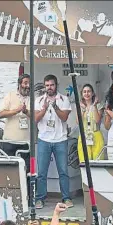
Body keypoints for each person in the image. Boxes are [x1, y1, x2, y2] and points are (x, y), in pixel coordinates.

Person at [34, 74, 72, 209]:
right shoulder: (38, 100)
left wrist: (55, 107)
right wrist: (44, 108)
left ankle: (66, 197)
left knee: (63, 171)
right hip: (44, 139)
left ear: (56, 85)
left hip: (60, 140)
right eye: (47, 85)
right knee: (42, 172)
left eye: (52, 85)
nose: (49, 88)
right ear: (45, 86)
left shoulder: (64, 99)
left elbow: (64, 118)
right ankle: (40, 198)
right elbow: (35, 119)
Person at [0, 73, 32, 158]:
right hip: (10, 141)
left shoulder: (33, 98)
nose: (27, 86)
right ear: (19, 84)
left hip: (26, 141)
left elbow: (36, 117)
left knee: (26, 168)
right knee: (9, 169)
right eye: (25, 83)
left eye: (29, 83)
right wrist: (17, 110)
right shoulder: (10, 95)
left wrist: (26, 111)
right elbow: (1, 114)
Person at [77, 83, 104, 162]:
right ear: (82, 94)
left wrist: (94, 106)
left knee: (97, 162)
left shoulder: (99, 105)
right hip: (84, 135)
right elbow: (78, 122)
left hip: (96, 134)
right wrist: (83, 110)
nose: (86, 94)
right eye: (84, 92)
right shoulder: (80, 106)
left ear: (92, 93)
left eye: (89, 91)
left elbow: (97, 120)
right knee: (84, 162)